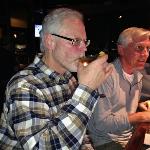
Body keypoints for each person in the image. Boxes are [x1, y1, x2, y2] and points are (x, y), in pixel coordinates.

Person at [0, 7, 112, 149]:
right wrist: (87, 90)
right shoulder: (24, 85)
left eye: (85, 42)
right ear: (50, 42)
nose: (84, 49)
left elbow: (79, 133)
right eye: (76, 41)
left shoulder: (68, 78)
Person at [87, 27, 150, 150]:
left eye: (148, 49)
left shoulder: (138, 76)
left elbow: (120, 106)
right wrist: (141, 116)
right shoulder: (106, 76)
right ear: (121, 49)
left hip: (129, 135)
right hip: (105, 140)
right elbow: (102, 124)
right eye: (139, 48)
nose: (145, 54)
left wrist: (141, 105)